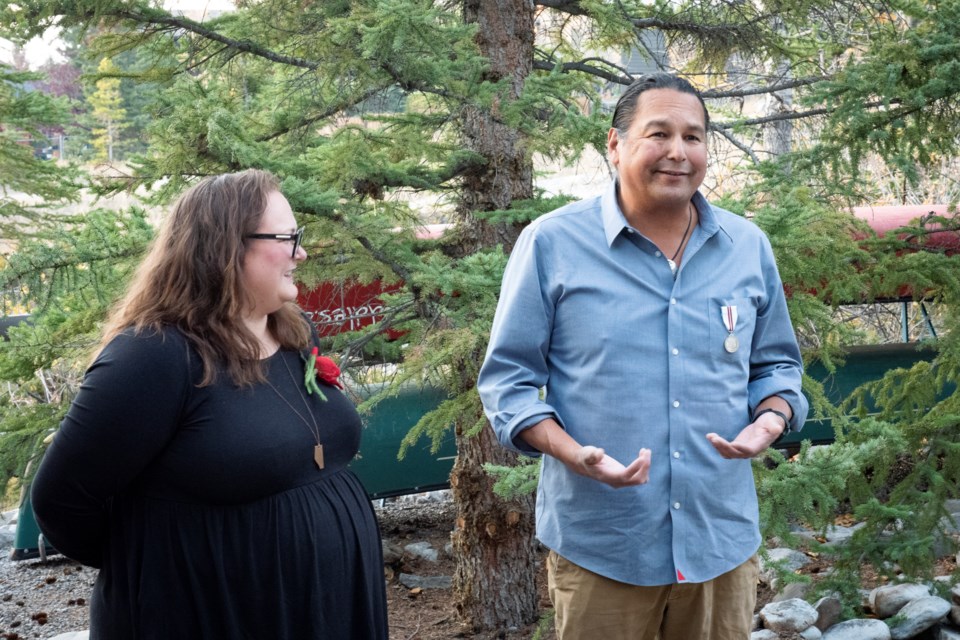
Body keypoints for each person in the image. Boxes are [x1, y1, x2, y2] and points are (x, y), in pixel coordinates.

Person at [477, 73, 809, 640]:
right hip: (604, 544)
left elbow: (776, 365)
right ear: (615, 144)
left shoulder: (746, 247)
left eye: (694, 136)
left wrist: (772, 419)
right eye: (659, 133)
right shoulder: (552, 244)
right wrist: (573, 452)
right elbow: (507, 382)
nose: (678, 152)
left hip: (719, 543)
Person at [31, 169, 389, 639]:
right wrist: (163, 564)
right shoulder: (153, 356)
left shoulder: (292, 332)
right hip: (213, 616)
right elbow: (61, 499)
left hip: (327, 607)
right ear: (224, 247)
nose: (301, 252)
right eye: (287, 237)